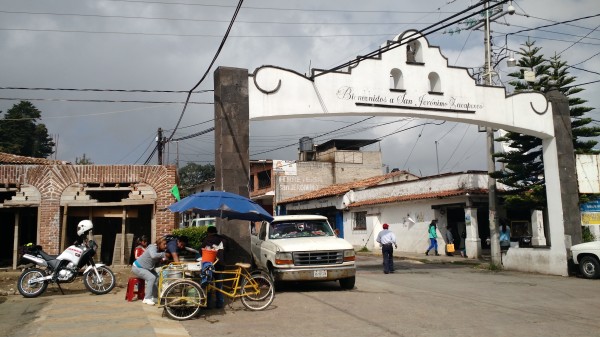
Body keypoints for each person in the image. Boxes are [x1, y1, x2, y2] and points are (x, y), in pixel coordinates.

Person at [131, 237, 168, 305]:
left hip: (146, 268)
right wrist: (163, 255)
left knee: (156, 277)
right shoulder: (152, 247)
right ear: (159, 244)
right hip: (137, 268)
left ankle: (154, 297)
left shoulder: (160, 251)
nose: (166, 246)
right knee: (151, 278)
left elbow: (155, 263)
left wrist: (163, 262)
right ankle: (147, 298)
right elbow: (153, 256)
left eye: (166, 244)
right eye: (164, 244)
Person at [201, 226, 228, 308]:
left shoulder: (206, 240)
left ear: (208, 232)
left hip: (209, 265)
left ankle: (208, 304)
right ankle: (219, 304)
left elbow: (201, 250)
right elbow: (227, 251)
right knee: (219, 285)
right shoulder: (224, 240)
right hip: (220, 264)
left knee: (209, 284)